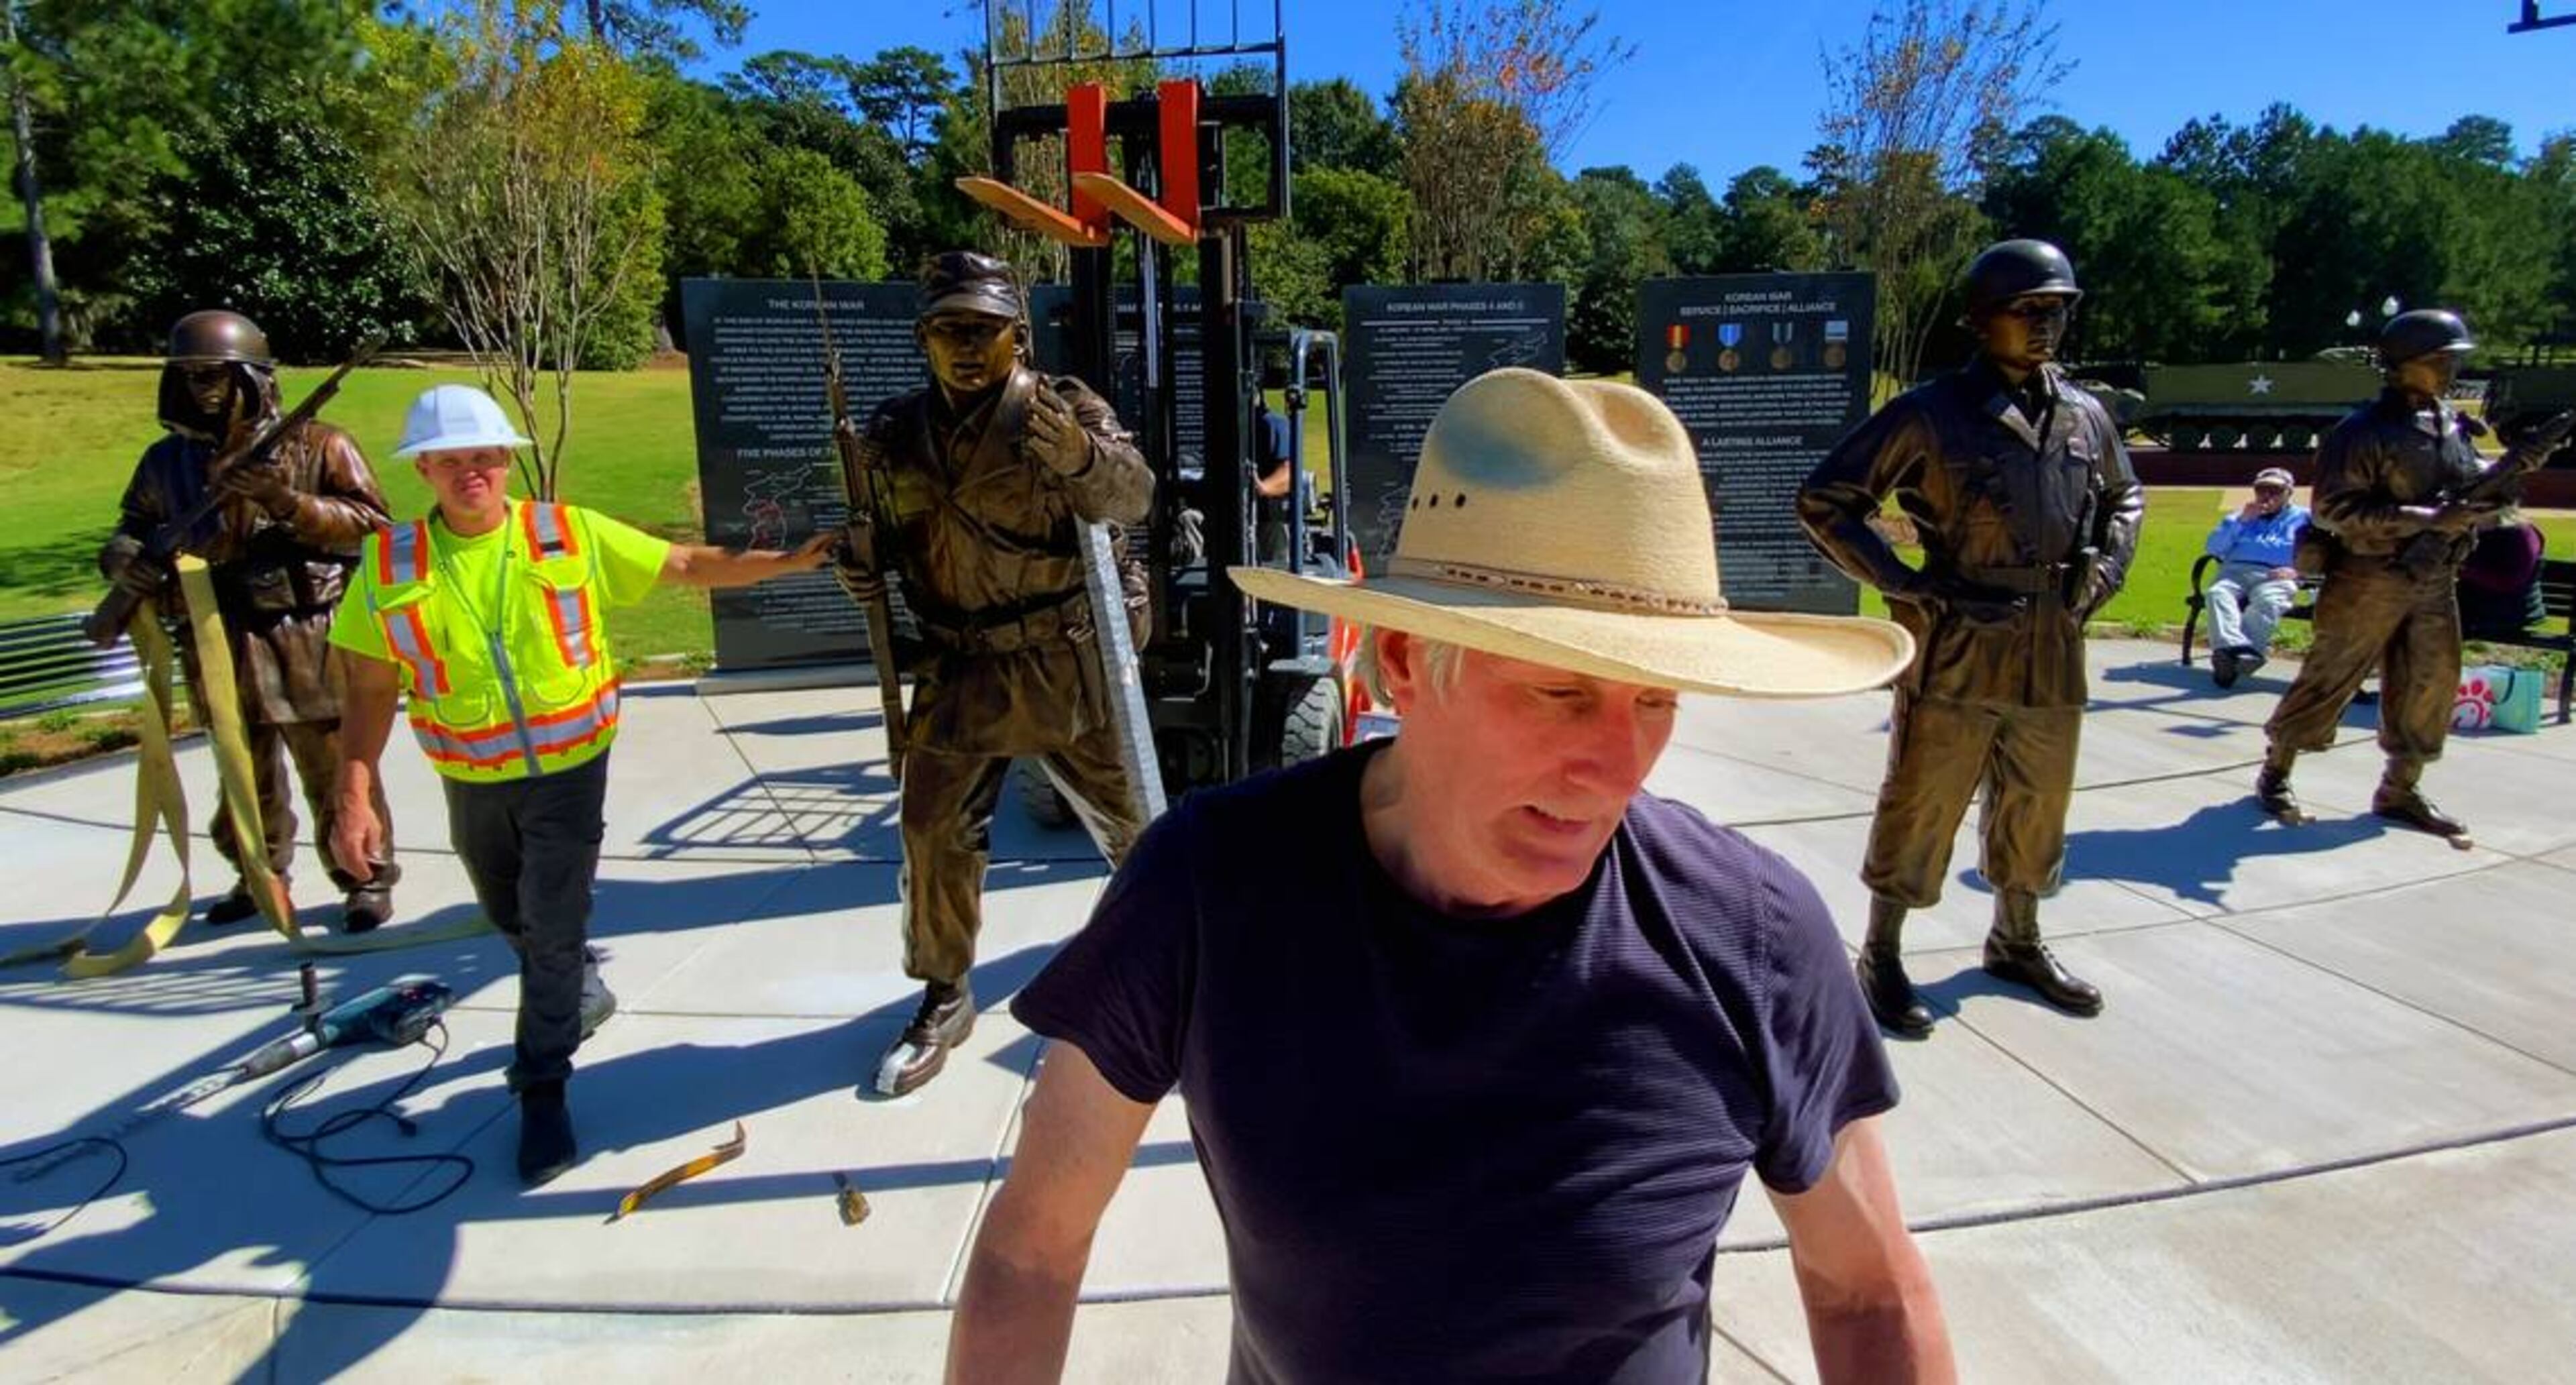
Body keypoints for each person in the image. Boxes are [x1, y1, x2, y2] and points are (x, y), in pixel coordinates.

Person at [948, 368, 1951, 1383]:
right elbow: (1033, 1247)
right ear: (1403, 663)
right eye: (1559, 690)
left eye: (1656, 701)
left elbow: (1867, 1287)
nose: (1619, 768)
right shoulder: (1212, 889)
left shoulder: (1754, 933)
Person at [325, 384, 831, 1185]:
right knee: (512, 918)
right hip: (471, 778)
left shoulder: (565, 534)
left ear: (507, 461)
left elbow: (684, 564)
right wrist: (354, 793)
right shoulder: (390, 565)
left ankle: (543, 1087)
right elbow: (367, 687)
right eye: (452, 461)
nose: (472, 474)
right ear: (423, 468)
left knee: (552, 927)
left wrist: (791, 562)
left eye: (486, 457)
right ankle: (573, 990)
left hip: (568, 772)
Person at [1796, 238, 2145, 1037]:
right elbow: (1826, 498)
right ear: (1981, 322)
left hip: (2054, 639)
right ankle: (1882, 952)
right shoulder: (1931, 412)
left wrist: (2107, 573)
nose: (2047, 324)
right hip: (1963, 636)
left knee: (2038, 799)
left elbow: (2125, 499)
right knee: (1926, 798)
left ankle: (2016, 938)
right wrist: (1904, 581)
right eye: (2028, 311)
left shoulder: (2087, 414)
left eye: (2057, 310)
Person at [830, 251, 1156, 1098]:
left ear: (1020, 334)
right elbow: (895, 539)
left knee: (1137, 832)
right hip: (957, 665)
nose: (967, 347)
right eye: (948, 330)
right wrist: (860, 565)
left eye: (985, 329)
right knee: (932, 835)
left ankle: (1170, 971)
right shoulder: (894, 434)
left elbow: (1136, 496)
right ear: (923, 340)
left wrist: (1085, 460)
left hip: (1060, 662)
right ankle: (944, 991)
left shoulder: (1063, 407)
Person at [98, 310, 400, 932]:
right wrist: (125, 557)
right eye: (190, 377)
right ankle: (256, 874)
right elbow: (130, 527)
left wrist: (284, 502)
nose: (204, 388)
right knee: (241, 769)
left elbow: (371, 525)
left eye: (217, 375)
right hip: (217, 636)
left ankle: (363, 873)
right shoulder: (166, 462)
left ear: (251, 378)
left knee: (332, 763)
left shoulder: (321, 443)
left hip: (305, 631)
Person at [2255, 310, 2573, 836]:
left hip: (2436, 579)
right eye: (2438, 359)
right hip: (2369, 576)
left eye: (2453, 359)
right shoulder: (2363, 431)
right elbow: (2332, 509)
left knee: (2431, 681)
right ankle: (2277, 770)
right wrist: (2423, 518)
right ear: (2403, 365)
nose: (2450, 368)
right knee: (2330, 678)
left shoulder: (2451, 425)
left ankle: (2400, 789)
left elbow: (2479, 494)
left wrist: (2496, 497)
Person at [2200, 465, 2310, 687]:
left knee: (2269, 601)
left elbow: (2323, 552)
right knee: (2217, 593)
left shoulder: (2305, 518)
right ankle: (2238, 652)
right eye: (2262, 489)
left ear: (2289, 493)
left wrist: (2299, 572)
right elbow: (2213, 548)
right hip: (2236, 571)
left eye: (2275, 490)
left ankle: (2230, 658)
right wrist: (2241, 521)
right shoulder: (2239, 517)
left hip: (2278, 574)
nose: (2267, 495)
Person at [1251, 395, 1295, 564]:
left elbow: (1287, 474)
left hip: (1266, 513)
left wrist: (1262, 488)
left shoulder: (1274, 424)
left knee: (1276, 524)